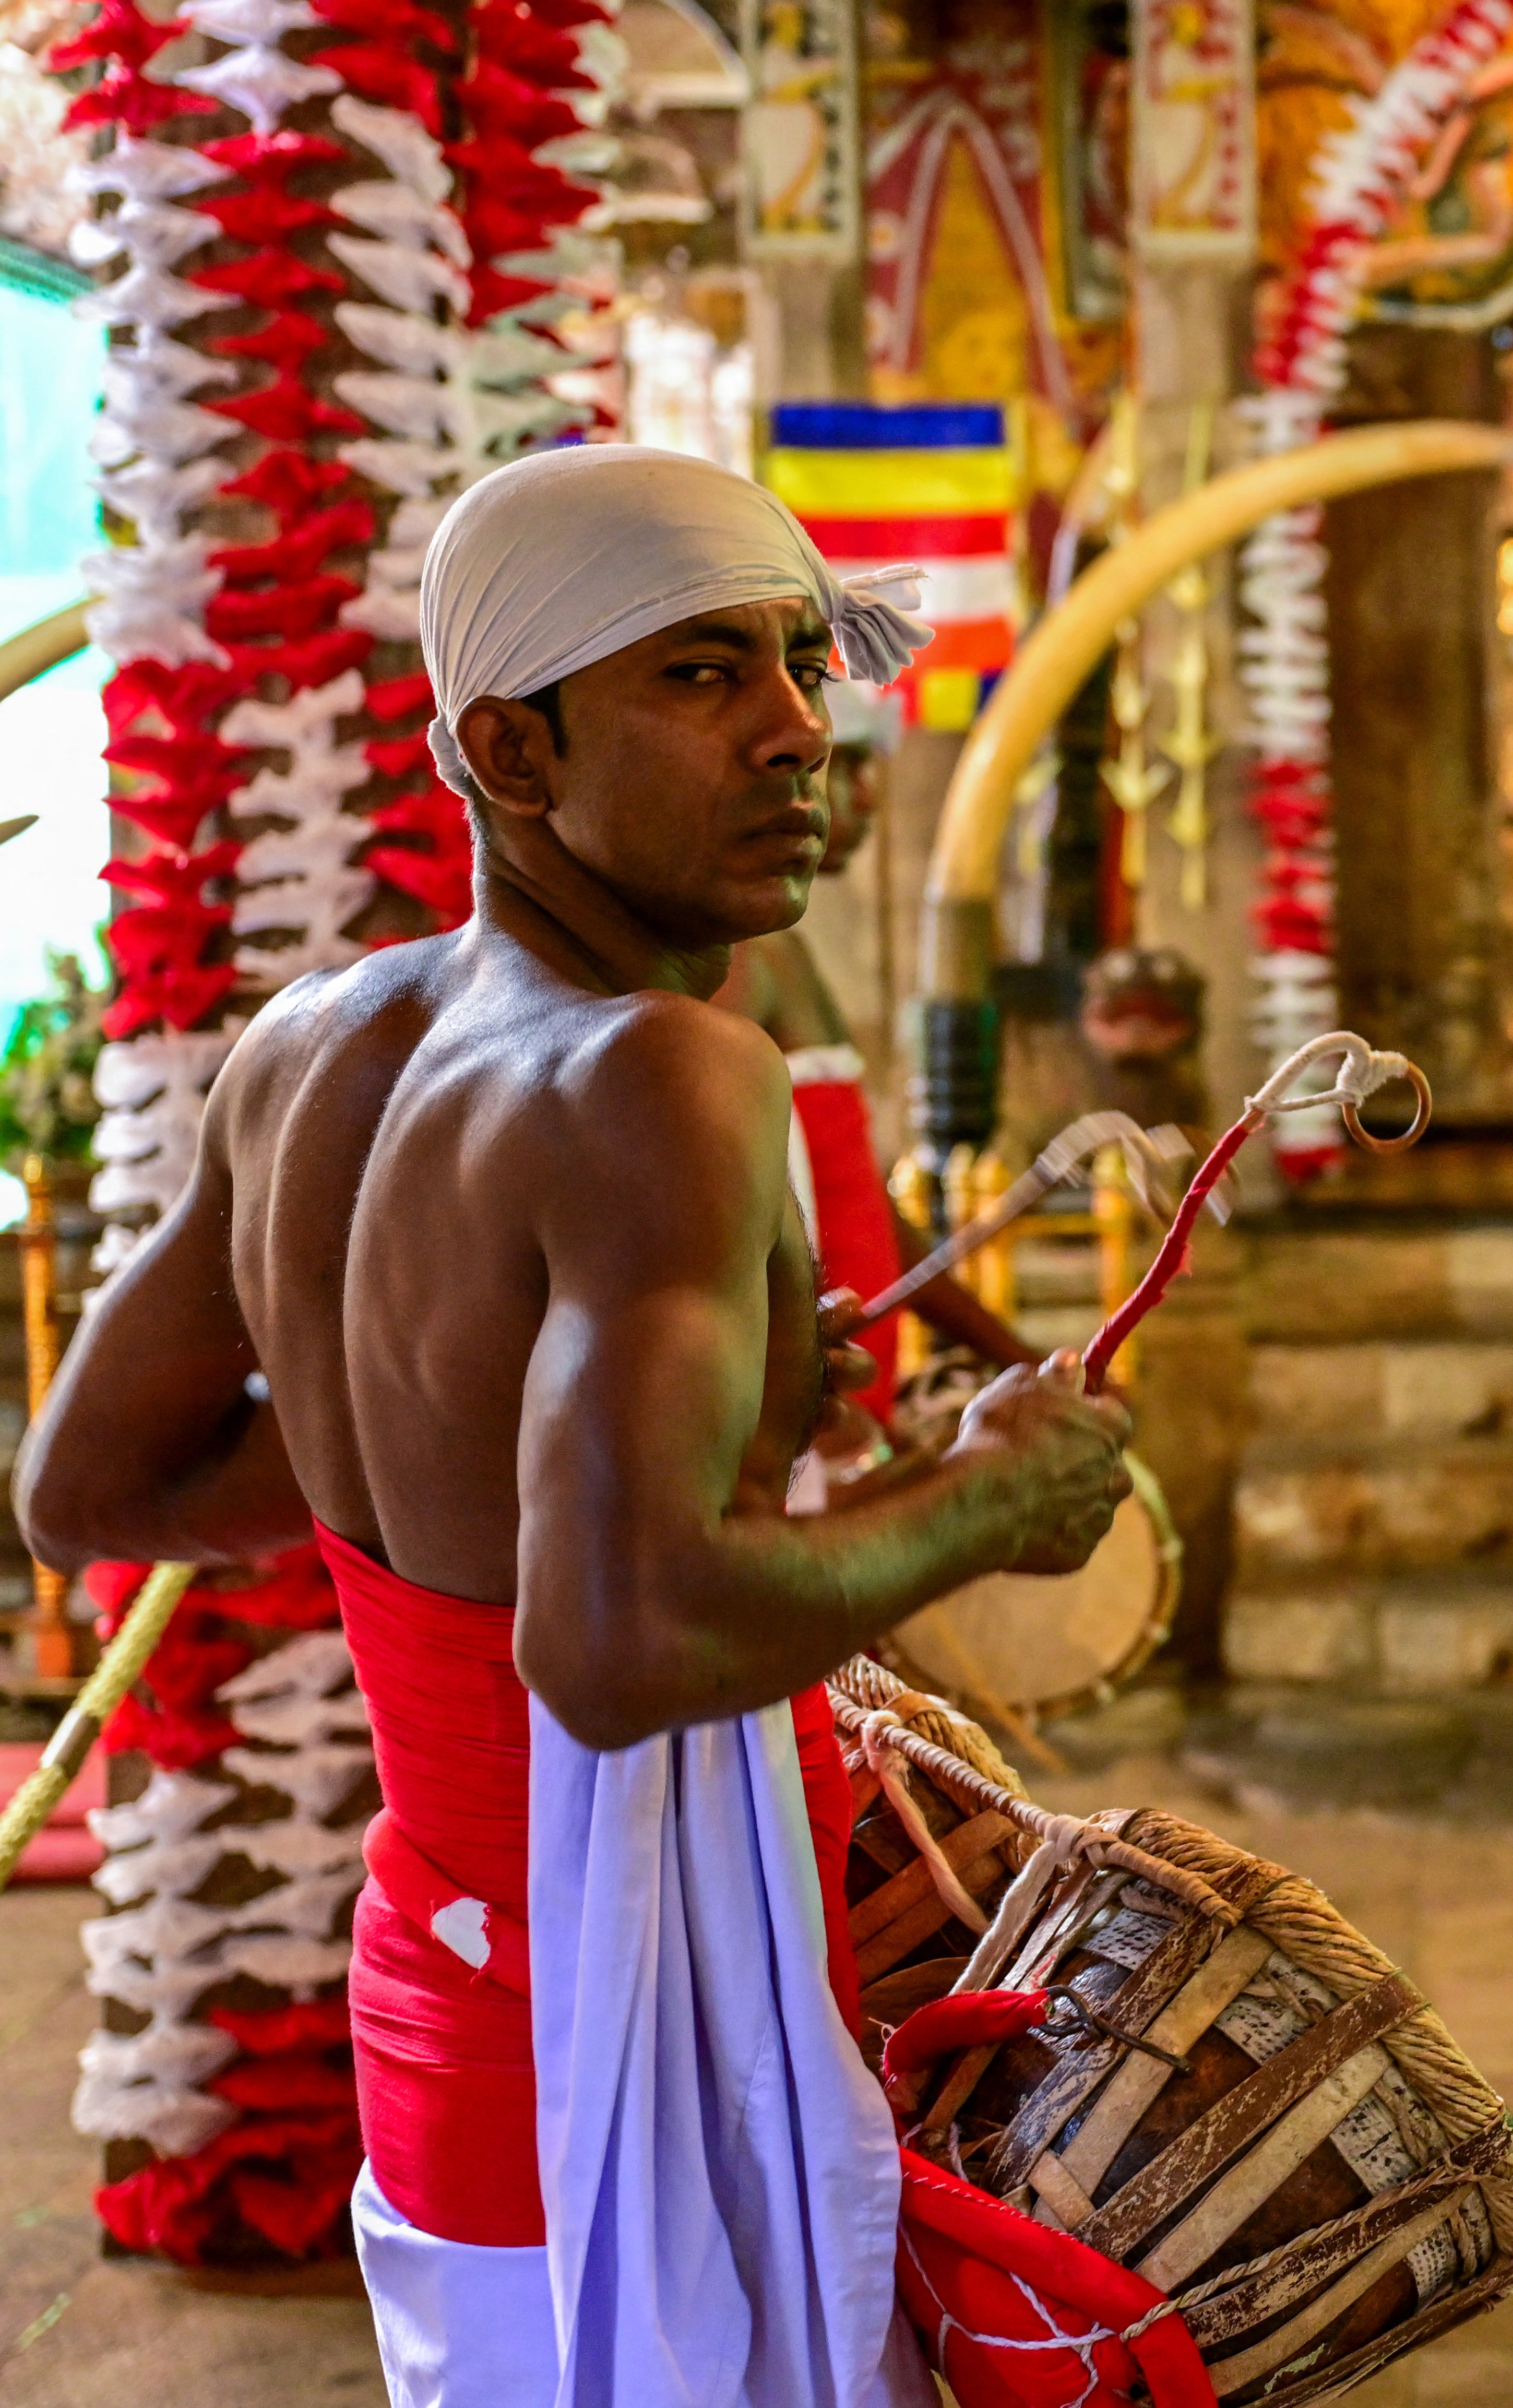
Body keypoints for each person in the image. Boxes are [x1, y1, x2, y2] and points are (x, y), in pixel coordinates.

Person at [16, 444, 1131, 2404]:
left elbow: (83, 1482)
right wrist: (985, 1498)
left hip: (442, 1994)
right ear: (510, 759)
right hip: (634, 2005)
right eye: (700, 679)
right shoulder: (661, 1074)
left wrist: (464, 1434)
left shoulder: (305, 1048)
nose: (798, 733)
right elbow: (619, 1650)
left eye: (800, 662)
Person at [719, 679, 1037, 1380]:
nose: (868, 798)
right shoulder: (737, 954)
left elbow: (859, 1207)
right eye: (850, 766)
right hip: (806, 1415)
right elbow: (714, 1204)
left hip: (845, 1389)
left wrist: (1014, 1358)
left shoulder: (776, 943)